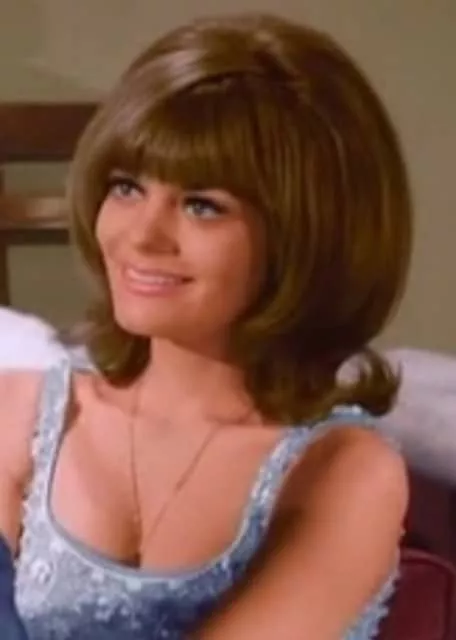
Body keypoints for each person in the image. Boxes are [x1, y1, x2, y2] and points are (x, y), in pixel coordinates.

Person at [0, 12, 413, 640]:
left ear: (304, 234)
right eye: (127, 187)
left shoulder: (344, 469)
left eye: (202, 205)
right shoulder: (21, 416)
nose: (142, 237)